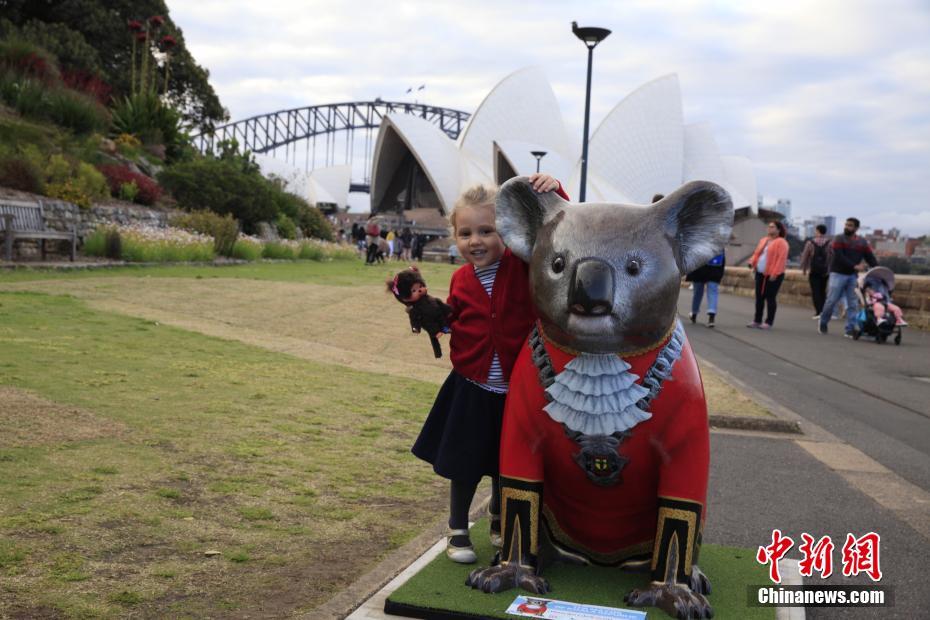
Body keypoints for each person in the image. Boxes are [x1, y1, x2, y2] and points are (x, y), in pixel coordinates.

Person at [411, 173, 568, 564]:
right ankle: (457, 528)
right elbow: (457, 318)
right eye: (465, 233)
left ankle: (501, 522)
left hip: (518, 389)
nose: (475, 241)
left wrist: (555, 191)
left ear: (508, 231)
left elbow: (559, 232)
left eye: (487, 230)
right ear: (455, 237)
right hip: (471, 385)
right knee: (465, 463)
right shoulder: (460, 278)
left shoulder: (522, 264)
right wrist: (432, 318)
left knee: (507, 463)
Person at [818, 217, 877, 337]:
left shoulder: (862, 242)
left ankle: (849, 328)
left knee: (853, 303)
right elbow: (839, 256)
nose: (846, 227)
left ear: (856, 228)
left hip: (852, 276)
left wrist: (877, 269)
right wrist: (854, 266)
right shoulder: (839, 238)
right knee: (832, 300)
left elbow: (869, 257)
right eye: (846, 224)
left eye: (850, 225)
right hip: (837, 274)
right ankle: (823, 321)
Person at [747, 221, 789, 329]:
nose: (769, 228)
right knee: (759, 298)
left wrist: (775, 273)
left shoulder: (781, 242)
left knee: (770, 297)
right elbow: (757, 253)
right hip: (760, 273)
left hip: (774, 274)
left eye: (772, 227)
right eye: (769, 226)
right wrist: (752, 262)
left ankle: (769, 322)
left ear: (778, 230)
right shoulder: (764, 240)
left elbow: (781, 260)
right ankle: (757, 320)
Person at [799, 224, 831, 319]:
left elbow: (805, 257)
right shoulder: (829, 243)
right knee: (822, 291)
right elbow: (832, 257)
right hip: (825, 271)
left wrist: (804, 269)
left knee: (815, 291)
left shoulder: (810, 243)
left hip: (814, 271)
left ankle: (818, 312)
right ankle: (824, 311)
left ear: (817, 231)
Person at [687, 252, 725, 327]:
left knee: (697, 292)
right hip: (715, 264)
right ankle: (711, 315)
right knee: (712, 291)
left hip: (700, 263)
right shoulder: (719, 240)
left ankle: (694, 313)